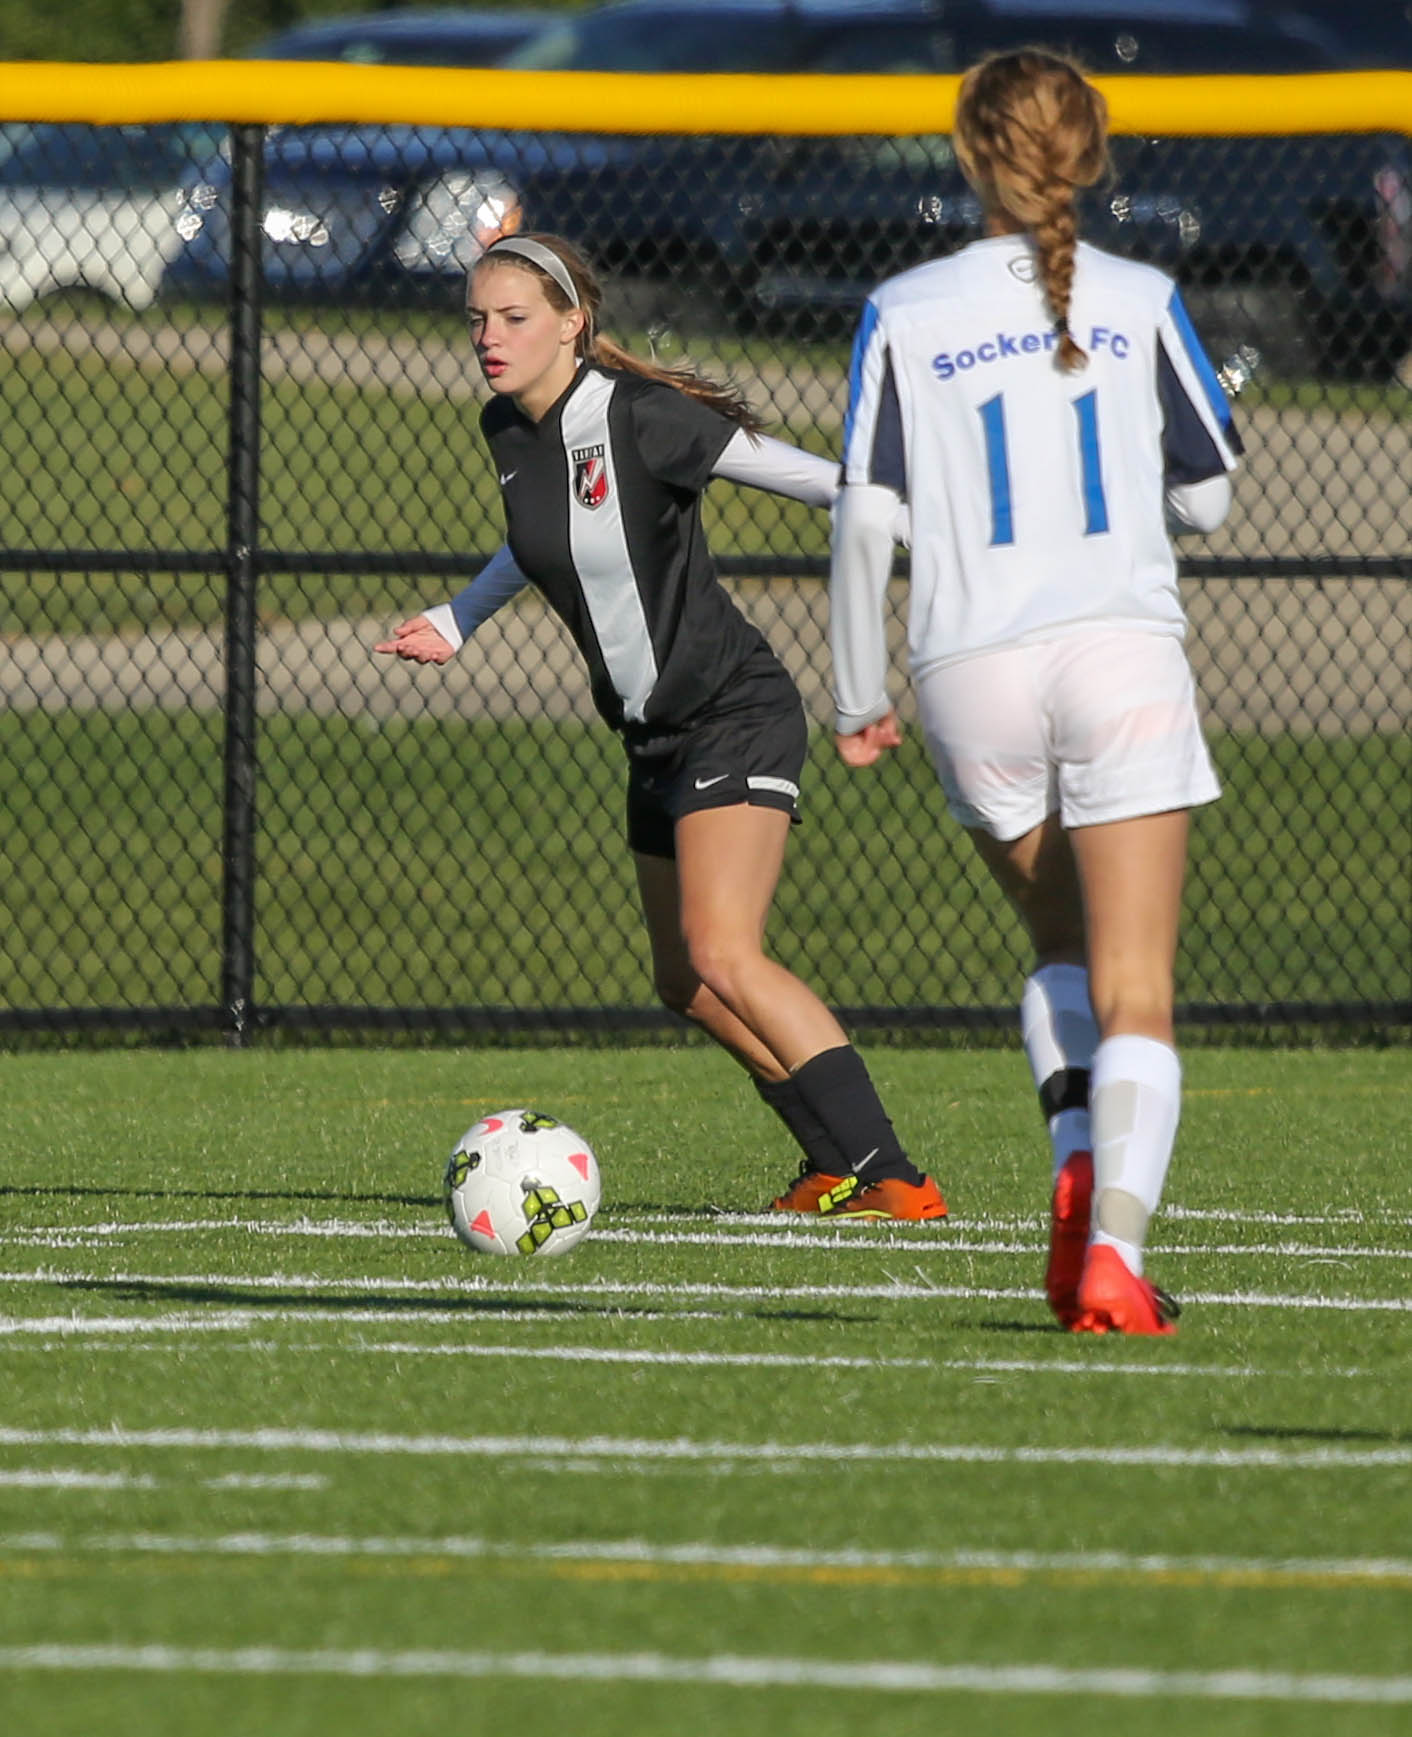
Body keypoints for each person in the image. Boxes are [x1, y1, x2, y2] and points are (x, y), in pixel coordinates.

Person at [376, 231, 947, 1221]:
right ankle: (833, 1164)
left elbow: (824, 484)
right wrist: (458, 616)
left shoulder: (640, 415)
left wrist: (938, 537)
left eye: (513, 318)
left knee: (727, 952)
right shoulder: (506, 429)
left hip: (732, 713)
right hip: (650, 738)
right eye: (476, 319)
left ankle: (893, 1174)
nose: (488, 337)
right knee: (686, 983)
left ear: (572, 323)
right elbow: (543, 539)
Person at [828, 51, 1242, 1328]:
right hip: (1114, 653)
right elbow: (1210, 501)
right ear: (1094, 151)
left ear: (965, 152)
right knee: (1136, 990)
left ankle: (1073, 1167)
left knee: (1057, 951)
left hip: (966, 672)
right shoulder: (1141, 294)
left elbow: (861, 523)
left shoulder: (901, 305)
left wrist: (853, 696)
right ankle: (1110, 1248)